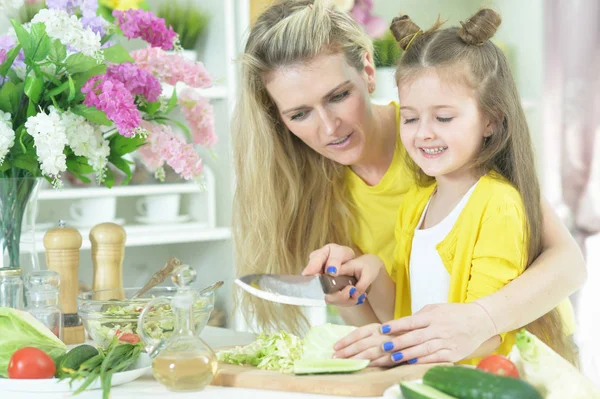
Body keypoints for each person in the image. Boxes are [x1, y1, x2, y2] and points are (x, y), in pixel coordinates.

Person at [232, 0, 586, 364]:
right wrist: (353, 293)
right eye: (299, 113)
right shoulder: (312, 188)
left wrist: (479, 320)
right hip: (436, 366)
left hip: (527, 358)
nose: (328, 127)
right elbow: (398, 318)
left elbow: (569, 263)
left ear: (368, 71)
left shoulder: (445, 145)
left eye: (339, 96)